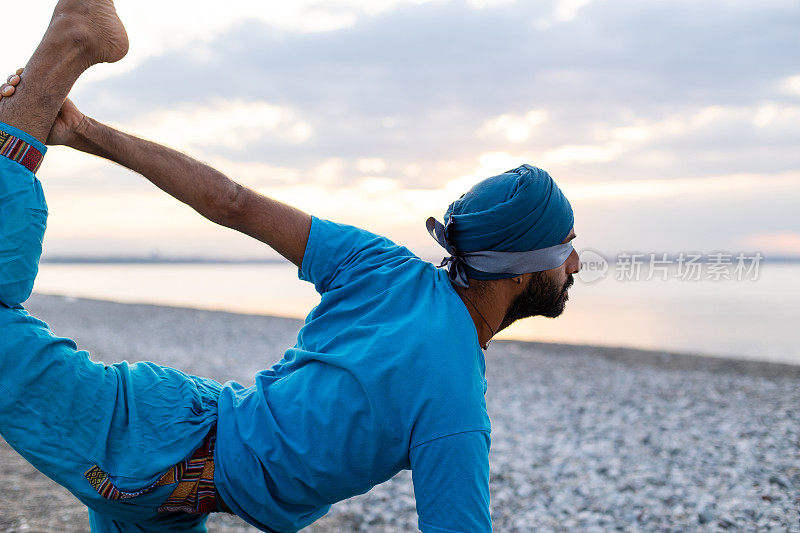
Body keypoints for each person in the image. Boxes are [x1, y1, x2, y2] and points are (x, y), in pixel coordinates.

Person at [0, 1, 580, 532]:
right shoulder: (453, 402)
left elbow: (234, 202)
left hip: (179, 474)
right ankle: (64, 50)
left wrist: (84, 131)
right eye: (565, 247)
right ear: (521, 269)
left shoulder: (384, 268)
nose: (577, 262)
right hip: (153, 447)